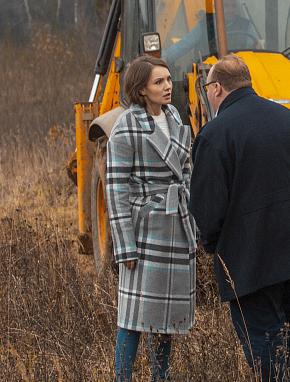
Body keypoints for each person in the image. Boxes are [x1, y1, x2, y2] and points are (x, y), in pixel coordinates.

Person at [190, 54, 290, 382]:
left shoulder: (214, 134)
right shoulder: (287, 118)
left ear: (217, 88)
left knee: (263, 330)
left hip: (249, 254)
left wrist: (214, 245)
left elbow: (206, 209)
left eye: (207, 88)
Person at [106, 55, 197, 381]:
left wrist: (192, 219)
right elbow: (116, 190)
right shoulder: (125, 127)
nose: (168, 86)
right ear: (141, 89)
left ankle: (162, 377)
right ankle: (123, 377)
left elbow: (186, 171)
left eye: (169, 79)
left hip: (176, 226)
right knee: (132, 317)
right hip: (145, 233)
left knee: (165, 316)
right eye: (159, 82)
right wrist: (124, 246)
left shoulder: (174, 117)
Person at [163, 0, 262, 65]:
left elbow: (253, 46)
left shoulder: (246, 25)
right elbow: (186, 43)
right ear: (216, 7)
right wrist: (166, 56)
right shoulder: (205, 25)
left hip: (239, 68)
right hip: (211, 70)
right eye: (226, 6)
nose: (230, 10)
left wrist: (257, 47)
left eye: (233, 6)